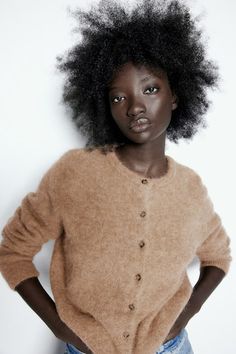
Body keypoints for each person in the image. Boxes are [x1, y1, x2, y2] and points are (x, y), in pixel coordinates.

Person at [0, 0, 232, 353]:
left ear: (175, 96)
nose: (135, 106)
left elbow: (218, 257)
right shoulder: (75, 173)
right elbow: (13, 252)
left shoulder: (190, 188)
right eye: (118, 97)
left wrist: (187, 312)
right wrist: (61, 327)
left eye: (150, 89)